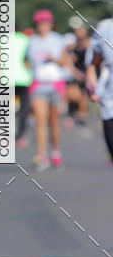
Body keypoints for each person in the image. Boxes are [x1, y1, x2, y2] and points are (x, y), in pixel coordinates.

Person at [25, 9, 72, 170]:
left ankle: (55, 152)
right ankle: (41, 155)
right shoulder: (32, 40)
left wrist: (54, 59)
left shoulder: (58, 40)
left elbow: (65, 62)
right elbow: (26, 61)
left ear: (51, 24)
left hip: (56, 84)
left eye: (46, 23)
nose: (43, 26)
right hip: (38, 84)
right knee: (40, 120)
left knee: (54, 121)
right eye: (40, 23)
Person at [86, 1, 113, 163]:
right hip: (109, 82)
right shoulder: (104, 27)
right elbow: (95, 60)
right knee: (109, 117)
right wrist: (92, 81)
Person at [65, 20, 92, 129]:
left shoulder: (89, 43)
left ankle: (82, 114)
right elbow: (68, 59)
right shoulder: (73, 46)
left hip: (86, 72)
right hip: (75, 73)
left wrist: (88, 73)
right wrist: (74, 71)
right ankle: (72, 114)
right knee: (72, 96)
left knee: (82, 96)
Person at [12, 26, 32, 146]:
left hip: (6, 79)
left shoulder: (1, 39)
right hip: (23, 78)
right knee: (24, 109)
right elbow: (29, 59)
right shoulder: (25, 39)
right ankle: (20, 136)